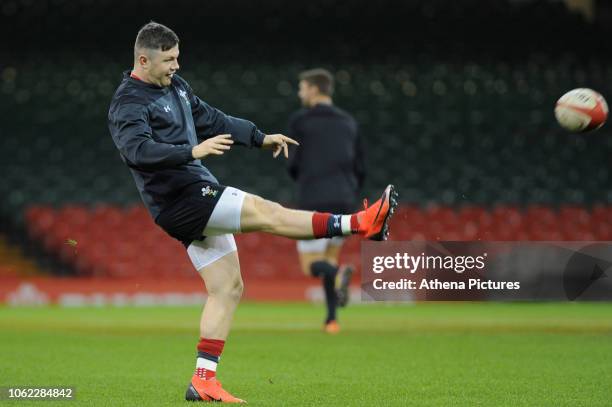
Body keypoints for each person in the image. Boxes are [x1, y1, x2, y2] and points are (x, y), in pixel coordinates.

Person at [108, 22, 397, 403]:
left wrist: (260, 137)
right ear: (143, 60)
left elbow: (211, 118)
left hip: (191, 190)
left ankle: (202, 380)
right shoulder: (128, 102)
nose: (177, 65)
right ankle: (359, 224)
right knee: (266, 212)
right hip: (180, 197)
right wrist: (190, 152)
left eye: (178, 57)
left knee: (227, 288)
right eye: (169, 60)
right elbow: (137, 151)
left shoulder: (175, 86)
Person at [287, 68, 365, 334]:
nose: (300, 93)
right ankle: (332, 320)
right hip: (344, 201)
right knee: (329, 259)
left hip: (314, 200)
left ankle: (340, 272)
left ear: (313, 89)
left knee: (311, 266)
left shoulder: (301, 121)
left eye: (301, 88)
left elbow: (293, 164)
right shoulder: (349, 122)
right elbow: (360, 167)